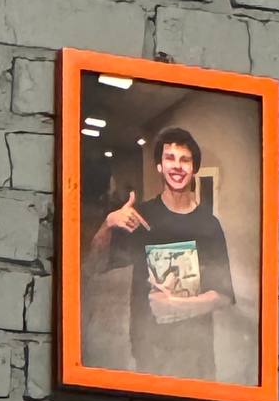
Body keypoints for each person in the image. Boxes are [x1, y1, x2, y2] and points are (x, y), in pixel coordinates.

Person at [88, 127, 235, 384]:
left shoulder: (209, 225)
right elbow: (95, 265)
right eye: (170, 158)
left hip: (195, 350)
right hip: (148, 347)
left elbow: (223, 295)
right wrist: (108, 223)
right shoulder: (140, 217)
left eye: (185, 160)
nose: (177, 166)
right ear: (159, 166)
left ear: (194, 168)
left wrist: (176, 305)